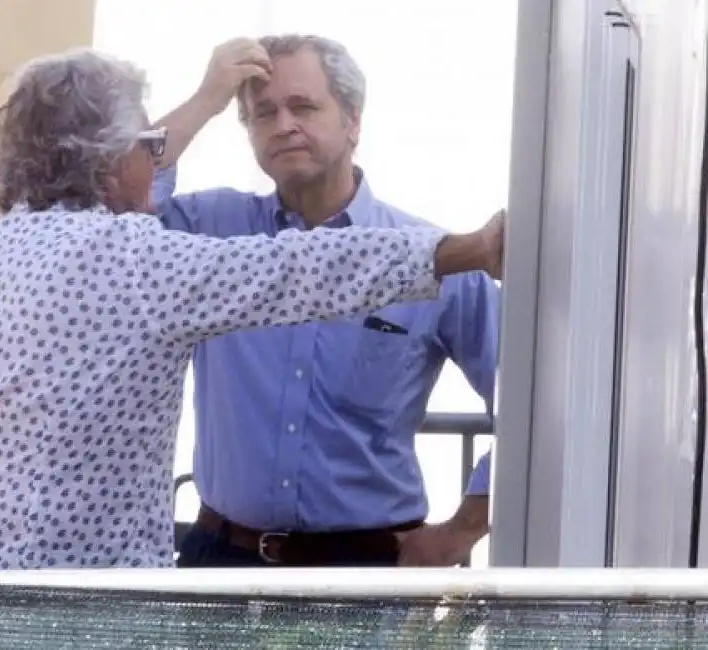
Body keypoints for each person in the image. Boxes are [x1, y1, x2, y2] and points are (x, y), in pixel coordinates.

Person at [0, 47, 503, 573]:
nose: (157, 158)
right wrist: (465, 248)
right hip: (84, 601)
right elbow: (296, 271)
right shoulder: (140, 259)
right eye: (148, 146)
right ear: (112, 162)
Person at [153, 35, 499, 567]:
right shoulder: (207, 232)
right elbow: (112, 209)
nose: (283, 124)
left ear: (353, 121)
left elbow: (539, 404)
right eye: (262, 113)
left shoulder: (440, 259)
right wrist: (207, 97)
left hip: (367, 570)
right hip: (221, 563)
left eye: (304, 106)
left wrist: (463, 528)